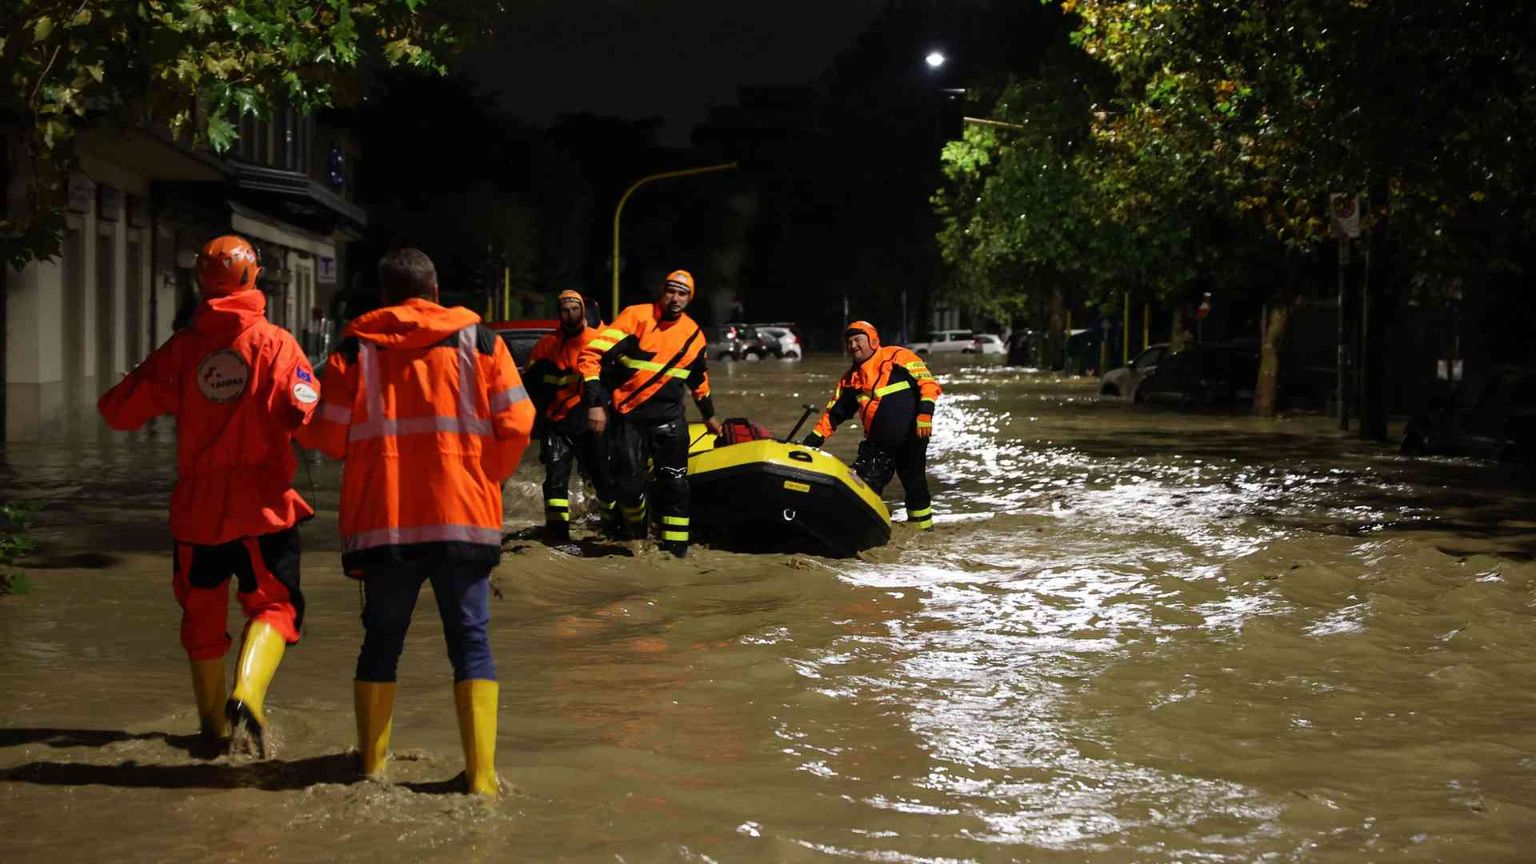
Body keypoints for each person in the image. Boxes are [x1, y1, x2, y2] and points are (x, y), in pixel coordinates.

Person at [296, 248, 534, 797]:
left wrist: (296, 414)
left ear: (383, 295)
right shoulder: (482, 342)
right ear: (434, 290)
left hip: (386, 524)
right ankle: (481, 780)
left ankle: (372, 771)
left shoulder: (355, 351)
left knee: (381, 642)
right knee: (471, 642)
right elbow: (519, 420)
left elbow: (329, 438)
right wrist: (487, 475)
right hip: (464, 518)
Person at [98, 234, 317, 757]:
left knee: (201, 619)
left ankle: (212, 734)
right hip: (264, 508)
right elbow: (307, 412)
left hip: (197, 513)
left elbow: (117, 412)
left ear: (201, 279)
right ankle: (249, 692)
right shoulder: (277, 343)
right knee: (275, 607)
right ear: (254, 276)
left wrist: (141, 384)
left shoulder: (183, 348)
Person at [578, 269, 723, 557]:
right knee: (629, 486)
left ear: (689, 298)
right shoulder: (636, 317)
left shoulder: (694, 335)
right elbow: (591, 356)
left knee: (677, 486)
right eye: (671, 291)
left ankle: (675, 552)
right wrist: (595, 403)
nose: (675, 298)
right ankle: (636, 536)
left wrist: (708, 414)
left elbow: (699, 380)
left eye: (682, 293)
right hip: (629, 418)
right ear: (662, 291)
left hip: (670, 420)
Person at [802, 320, 942, 530]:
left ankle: (923, 532)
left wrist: (925, 413)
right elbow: (834, 414)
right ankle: (862, 530)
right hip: (879, 443)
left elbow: (928, 385)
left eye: (858, 340)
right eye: (849, 342)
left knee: (915, 485)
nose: (853, 346)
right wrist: (811, 441)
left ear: (873, 341)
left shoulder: (899, 357)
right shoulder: (850, 379)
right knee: (862, 484)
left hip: (913, 436)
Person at [525, 289, 615, 543]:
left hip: (590, 420)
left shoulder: (599, 340)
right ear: (559, 313)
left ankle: (610, 528)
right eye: (565, 310)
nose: (570, 314)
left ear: (583, 311)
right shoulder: (547, 345)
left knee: (602, 477)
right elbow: (531, 387)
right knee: (555, 480)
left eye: (575, 309)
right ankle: (557, 534)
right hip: (558, 421)